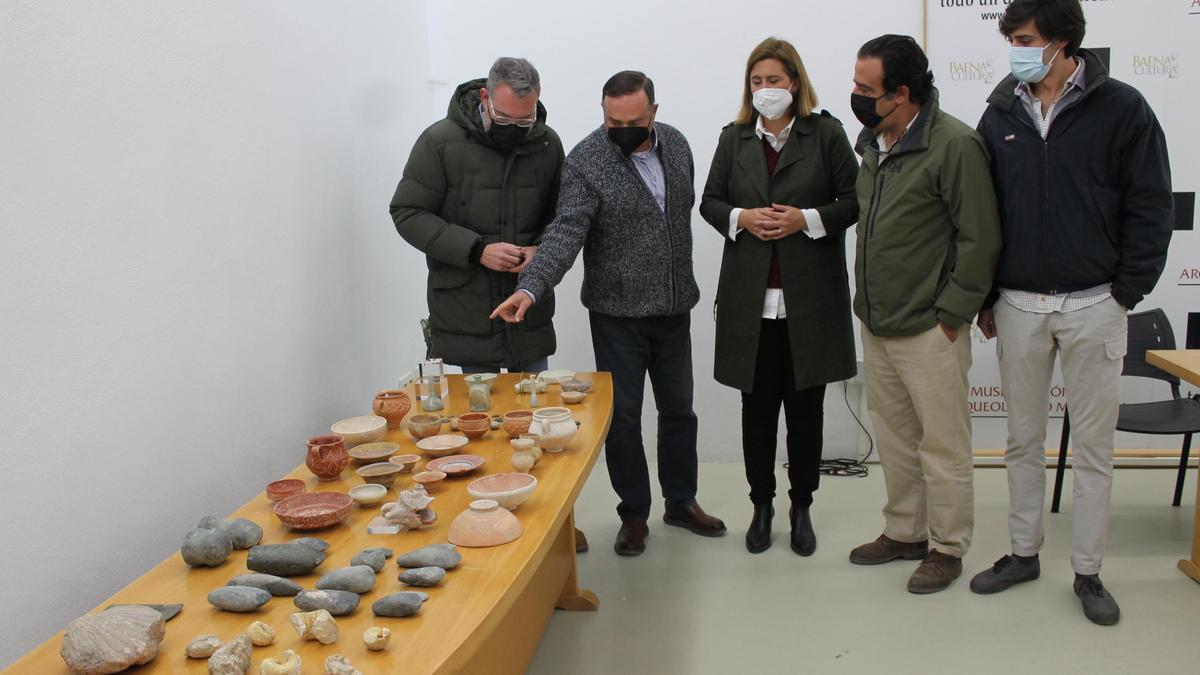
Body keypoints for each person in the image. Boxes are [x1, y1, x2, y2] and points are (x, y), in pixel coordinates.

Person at [968, 0, 1173, 626]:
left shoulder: (1123, 108)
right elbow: (982, 213)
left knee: (1092, 449)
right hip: (1020, 305)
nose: (1015, 50)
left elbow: (1150, 203)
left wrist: (1124, 293)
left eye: (1025, 39)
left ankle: (1088, 572)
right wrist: (985, 296)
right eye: (1010, 39)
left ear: (1062, 42)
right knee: (1023, 441)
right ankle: (1023, 554)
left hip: (1095, 305)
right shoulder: (1000, 108)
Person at [492, 70, 727, 556]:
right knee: (622, 419)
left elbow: (677, 218)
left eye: (633, 120)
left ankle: (681, 501)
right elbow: (566, 230)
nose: (621, 127)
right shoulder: (587, 159)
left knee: (679, 412)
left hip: (673, 309)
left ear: (654, 114)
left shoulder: (677, 146)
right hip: (617, 315)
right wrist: (530, 289)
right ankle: (634, 514)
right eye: (611, 119)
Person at [846, 35, 1002, 593]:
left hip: (929, 328)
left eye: (867, 90)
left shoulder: (954, 144)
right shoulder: (874, 141)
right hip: (879, 321)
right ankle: (905, 532)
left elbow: (979, 238)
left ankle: (947, 546)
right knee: (894, 439)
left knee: (943, 444)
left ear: (902, 93)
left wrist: (952, 316)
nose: (856, 97)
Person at [699, 38, 859, 556]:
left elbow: (854, 200)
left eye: (773, 79)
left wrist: (806, 219)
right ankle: (762, 506)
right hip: (751, 301)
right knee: (757, 410)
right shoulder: (734, 138)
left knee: (806, 411)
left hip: (808, 301)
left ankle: (802, 506)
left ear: (795, 81)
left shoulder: (827, 134)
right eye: (756, 81)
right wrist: (741, 218)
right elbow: (710, 202)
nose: (765, 89)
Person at [389, 57, 564, 374]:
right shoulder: (439, 142)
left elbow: (561, 217)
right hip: (465, 312)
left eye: (525, 120)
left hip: (528, 312)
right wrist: (476, 250)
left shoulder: (547, 144)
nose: (514, 128)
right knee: (477, 419)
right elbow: (407, 212)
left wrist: (539, 248)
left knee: (536, 414)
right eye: (504, 117)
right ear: (485, 97)